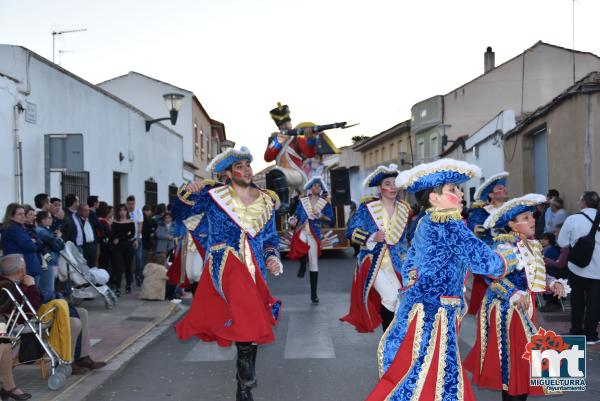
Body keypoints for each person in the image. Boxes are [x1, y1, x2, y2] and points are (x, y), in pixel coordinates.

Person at [366, 159, 518, 401]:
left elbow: (410, 266)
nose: (459, 194)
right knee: (433, 377)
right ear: (434, 198)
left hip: (421, 308)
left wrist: (425, 289)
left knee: (424, 372)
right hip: (437, 313)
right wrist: (510, 255)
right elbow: (485, 262)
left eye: (458, 189)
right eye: (452, 190)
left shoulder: (427, 221)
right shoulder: (448, 222)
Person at [174, 146, 282, 401]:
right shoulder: (214, 196)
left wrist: (272, 257)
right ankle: (246, 382)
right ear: (228, 173)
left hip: (255, 271)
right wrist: (188, 192)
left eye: (247, 166)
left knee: (251, 325)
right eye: (239, 167)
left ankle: (242, 384)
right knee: (247, 319)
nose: (246, 170)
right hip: (226, 265)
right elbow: (182, 214)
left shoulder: (266, 200)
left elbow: (269, 239)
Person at [465, 194, 569, 400]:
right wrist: (513, 292)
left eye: (532, 216)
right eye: (525, 218)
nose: (532, 220)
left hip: (524, 309)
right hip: (505, 312)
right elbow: (492, 278)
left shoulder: (532, 245)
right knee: (514, 367)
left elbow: (534, 274)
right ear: (512, 225)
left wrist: (552, 282)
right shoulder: (505, 247)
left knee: (524, 366)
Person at [0, 254, 106, 376]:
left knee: (82, 312)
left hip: (35, 315)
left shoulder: (16, 282)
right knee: (74, 321)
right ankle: (67, 361)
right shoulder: (9, 286)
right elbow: (32, 308)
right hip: (28, 320)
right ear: (20, 270)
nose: (26, 269)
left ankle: (83, 357)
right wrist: (32, 286)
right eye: (24, 266)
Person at [341, 164, 411, 332]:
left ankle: (393, 342)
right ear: (380, 188)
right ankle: (388, 343)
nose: (392, 187)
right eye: (388, 183)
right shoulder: (367, 209)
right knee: (390, 297)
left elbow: (404, 239)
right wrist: (370, 237)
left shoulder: (404, 209)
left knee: (401, 300)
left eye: (395, 183)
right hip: (373, 260)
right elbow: (350, 232)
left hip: (395, 262)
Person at [557, 191, 600, 344]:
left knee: (577, 300)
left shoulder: (573, 219)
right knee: (595, 302)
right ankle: (591, 335)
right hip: (598, 270)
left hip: (578, 268)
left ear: (584, 202)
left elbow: (562, 243)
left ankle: (576, 330)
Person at [466, 172, 509, 315]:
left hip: (509, 255)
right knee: (483, 287)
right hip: (489, 254)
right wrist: (481, 228)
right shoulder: (482, 211)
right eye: (499, 188)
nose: (504, 190)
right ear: (491, 195)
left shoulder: (511, 209)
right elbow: (473, 226)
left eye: (504, 187)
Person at [286, 176, 334, 304]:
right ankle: (302, 262)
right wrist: (293, 219)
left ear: (321, 188)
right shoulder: (303, 201)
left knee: (314, 263)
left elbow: (331, 219)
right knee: (298, 242)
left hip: (315, 232)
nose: (317, 187)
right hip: (303, 229)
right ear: (310, 188)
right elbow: (296, 214)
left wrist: (321, 216)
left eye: (319, 186)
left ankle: (314, 294)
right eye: (315, 185)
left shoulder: (325, 203)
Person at [1, 204, 44, 282]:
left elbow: (40, 244)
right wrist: (32, 242)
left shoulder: (23, 228)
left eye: (24, 214)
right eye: (19, 214)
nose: (23, 216)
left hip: (28, 268)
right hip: (21, 270)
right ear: (11, 216)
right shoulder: (13, 229)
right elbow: (30, 246)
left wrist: (33, 242)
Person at [34, 211, 64, 302]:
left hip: (51, 261)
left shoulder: (46, 230)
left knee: (50, 287)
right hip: (48, 262)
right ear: (43, 220)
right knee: (47, 289)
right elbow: (57, 246)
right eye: (49, 218)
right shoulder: (42, 231)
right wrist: (59, 238)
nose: (51, 220)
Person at [109, 205, 135, 296]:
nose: (122, 212)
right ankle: (118, 287)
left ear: (127, 212)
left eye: (124, 210)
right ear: (118, 212)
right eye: (120, 210)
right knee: (118, 267)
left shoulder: (131, 222)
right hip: (117, 248)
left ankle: (128, 285)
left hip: (128, 246)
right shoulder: (115, 222)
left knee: (128, 267)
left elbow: (131, 235)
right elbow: (112, 235)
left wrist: (119, 238)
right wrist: (123, 235)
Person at [126, 196, 144, 286]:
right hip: (128, 240)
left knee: (139, 259)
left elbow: (140, 225)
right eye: (129, 204)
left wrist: (137, 239)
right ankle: (130, 277)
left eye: (132, 203)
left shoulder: (138, 211)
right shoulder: (124, 212)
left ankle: (138, 276)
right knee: (129, 260)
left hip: (137, 238)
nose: (131, 206)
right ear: (127, 203)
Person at [95, 202, 112, 271]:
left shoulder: (99, 220)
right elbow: (106, 233)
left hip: (102, 242)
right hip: (104, 243)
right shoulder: (102, 221)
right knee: (104, 262)